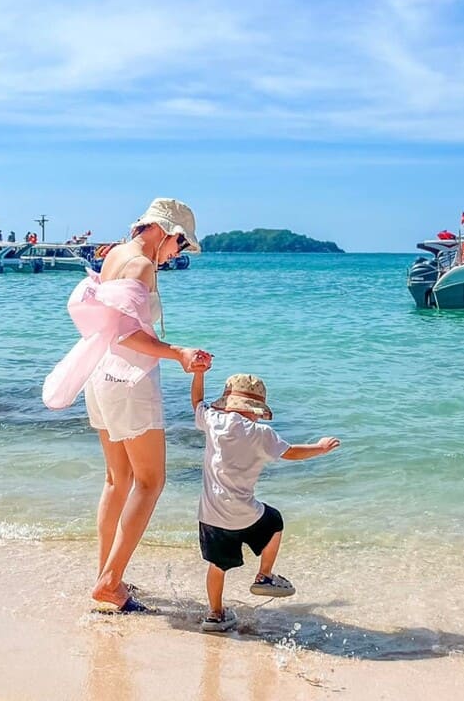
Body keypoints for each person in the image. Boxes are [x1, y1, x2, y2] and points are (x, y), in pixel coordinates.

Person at [42, 198, 212, 612]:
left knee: (117, 480)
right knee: (151, 482)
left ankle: (106, 577)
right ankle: (110, 583)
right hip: (129, 381)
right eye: (180, 245)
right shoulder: (141, 265)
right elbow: (125, 335)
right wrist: (179, 353)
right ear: (164, 231)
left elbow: (109, 327)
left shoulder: (116, 254)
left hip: (100, 377)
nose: (177, 254)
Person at [191, 371, 340, 632]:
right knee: (274, 521)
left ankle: (215, 615)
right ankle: (265, 575)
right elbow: (290, 452)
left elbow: (197, 401)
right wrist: (320, 447)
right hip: (245, 514)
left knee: (217, 566)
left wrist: (199, 373)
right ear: (257, 409)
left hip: (211, 516)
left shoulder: (213, 421)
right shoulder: (262, 434)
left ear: (227, 403)